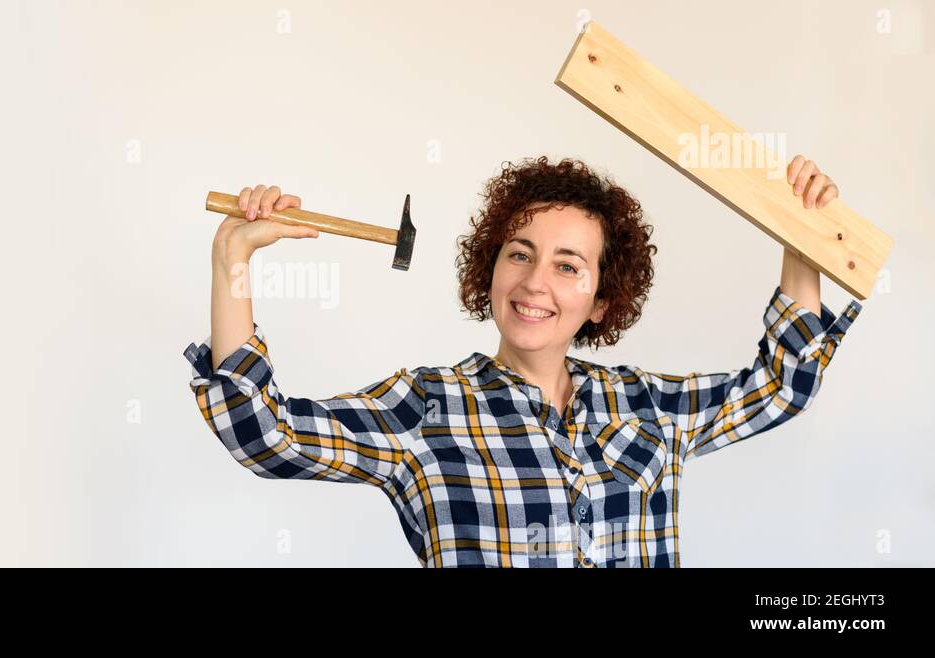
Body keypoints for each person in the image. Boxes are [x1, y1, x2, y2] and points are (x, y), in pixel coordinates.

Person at [182, 155, 862, 567]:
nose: (536, 282)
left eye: (569, 266)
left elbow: (782, 386)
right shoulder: (426, 409)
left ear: (601, 299)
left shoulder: (648, 409)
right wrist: (232, 260)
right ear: (491, 269)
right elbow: (261, 434)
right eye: (519, 254)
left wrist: (801, 240)